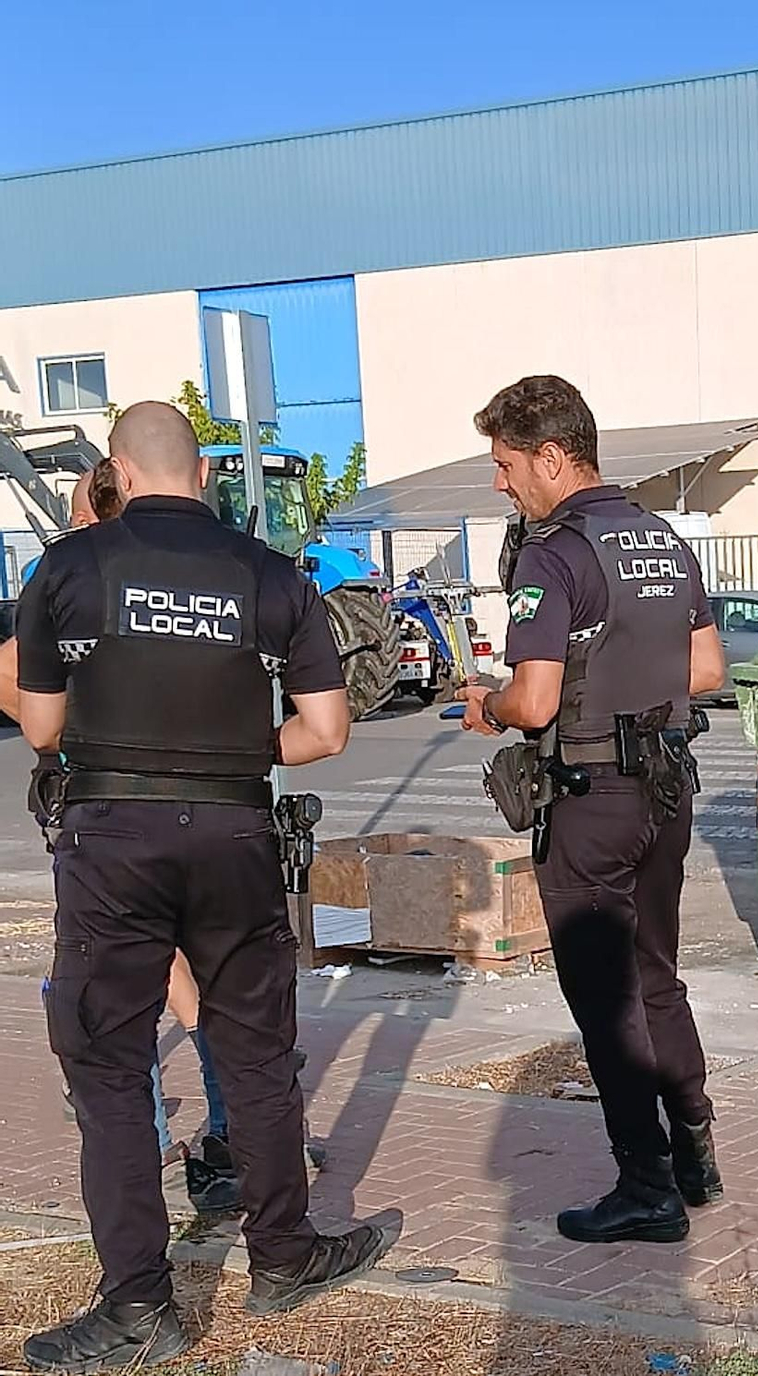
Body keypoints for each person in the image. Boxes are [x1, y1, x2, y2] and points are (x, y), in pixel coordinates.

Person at [16, 402, 392, 1372]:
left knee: (106, 1060)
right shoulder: (270, 575)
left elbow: (47, 727)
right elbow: (328, 731)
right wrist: (225, 752)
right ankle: (285, 1253)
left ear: (120, 472)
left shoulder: (67, 568)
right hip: (234, 833)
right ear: (202, 473)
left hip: (113, 839)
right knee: (255, 1048)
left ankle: (142, 1304)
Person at [457, 375, 727, 1244]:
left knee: (605, 998)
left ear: (551, 456)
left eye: (505, 465)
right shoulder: (661, 540)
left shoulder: (553, 551)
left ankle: (645, 1186)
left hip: (590, 796)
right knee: (657, 974)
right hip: (665, 790)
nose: (501, 484)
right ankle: (694, 1148)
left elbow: (534, 702)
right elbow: (707, 671)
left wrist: (488, 704)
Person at [0, 465, 237, 1208]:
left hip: (99, 814)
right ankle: (230, 1132)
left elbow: (18, 685)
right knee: (189, 973)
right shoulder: (190, 570)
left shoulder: (68, 574)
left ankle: (158, 1141)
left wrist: (81, 729)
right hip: (196, 814)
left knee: (113, 991)